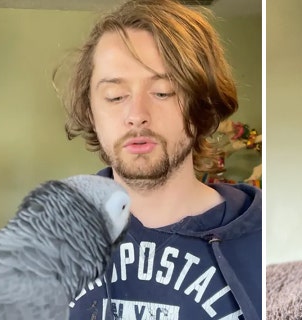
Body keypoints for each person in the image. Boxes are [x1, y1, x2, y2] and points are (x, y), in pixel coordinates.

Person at [56, 0, 262, 319]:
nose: (137, 115)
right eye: (115, 96)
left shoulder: (262, 241)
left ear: (202, 106)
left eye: (163, 92)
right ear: (90, 112)